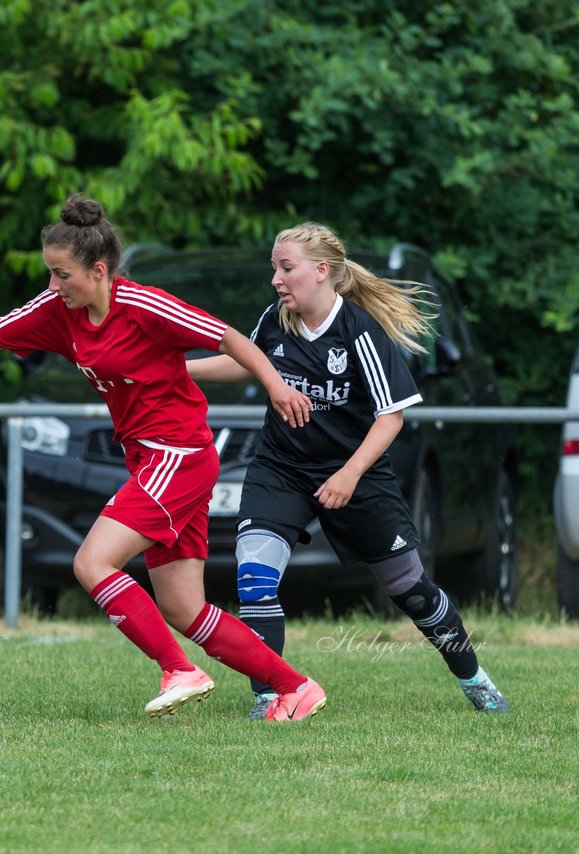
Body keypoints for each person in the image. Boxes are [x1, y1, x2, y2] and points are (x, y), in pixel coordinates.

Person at [0, 194, 327, 722]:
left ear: (98, 271)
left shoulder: (144, 306)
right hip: (150, 460)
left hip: (179, 454)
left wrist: (277, 387)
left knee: (92, 562)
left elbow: (230, 338)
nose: (53, 286)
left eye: (62, 275)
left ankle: (180, 670)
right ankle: (296, 688)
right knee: (183, 608)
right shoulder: (60, 311)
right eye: (50, 274)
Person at [187, 221, 509, 716]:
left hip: (353, 473)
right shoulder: (276, 319)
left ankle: (474, 678)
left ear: (321, 271)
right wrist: (177, 369)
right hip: (281, 467)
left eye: (285, 267)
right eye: (274, 267)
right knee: (253, 576)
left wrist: (349, 474)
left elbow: (391, 416)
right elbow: (248, 362)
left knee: (410, 589)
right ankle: (272, 695)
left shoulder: (360, 331)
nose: (275, 278)